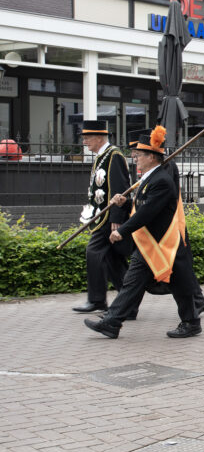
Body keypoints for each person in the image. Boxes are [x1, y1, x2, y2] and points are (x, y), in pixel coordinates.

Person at [83, 126, 203, 339]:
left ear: (152, 157)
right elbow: (142, 204)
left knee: (180, 284)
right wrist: (125, 201)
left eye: (139, 154)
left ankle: (191, 322)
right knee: (132, 283)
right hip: (150, 243)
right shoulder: (150, 178)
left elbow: (147, 212)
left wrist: (122, 230)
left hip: (165, 242)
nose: (135, 158)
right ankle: (112, 322)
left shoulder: (161, 181)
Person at [73, 120, 131, 314]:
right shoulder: (102, 156)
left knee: (94, 252)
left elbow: (120, 189)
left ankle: (97, 300)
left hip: (108, 218)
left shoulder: (114, 156)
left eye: (87, 138)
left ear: (99, 137)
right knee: (113, 260)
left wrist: (116, 219)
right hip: (100, 216)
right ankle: (128, 303)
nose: (84, 142)